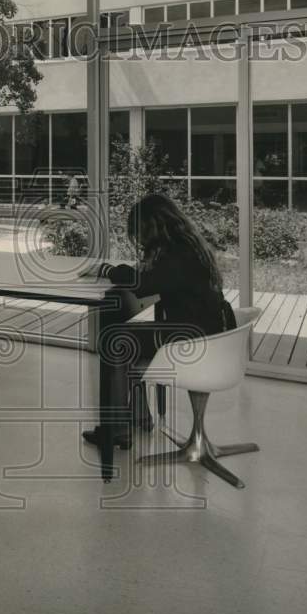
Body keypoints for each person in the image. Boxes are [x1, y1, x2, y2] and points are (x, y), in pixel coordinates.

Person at [80, 193, 237, 451]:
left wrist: (106, 270)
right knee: (127, 336)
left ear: (152, 226)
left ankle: (116, 429)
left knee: (114, 340)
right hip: (209, 333)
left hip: (193, 340)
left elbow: (143, 284)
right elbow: (156, 278)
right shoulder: (187, 246)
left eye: (138, 232)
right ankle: (138, 416)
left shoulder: (178, 254)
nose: (138, 239)